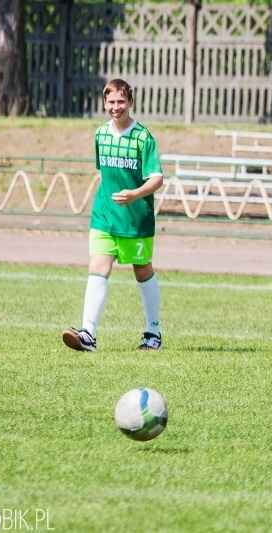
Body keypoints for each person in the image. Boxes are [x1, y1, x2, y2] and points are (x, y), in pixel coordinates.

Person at [62, 78, 164, 352]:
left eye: (121, 101)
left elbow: (157, 179)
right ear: (104, 103)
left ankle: (153, 333)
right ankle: (88, 335)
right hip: (104, 215)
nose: (116, 107)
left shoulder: (143, 137)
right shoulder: (100, 135)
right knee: (97, 267)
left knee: (142, 271)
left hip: (135, 218)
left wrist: (133, 194)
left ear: (130, 102)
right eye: (111, 102)